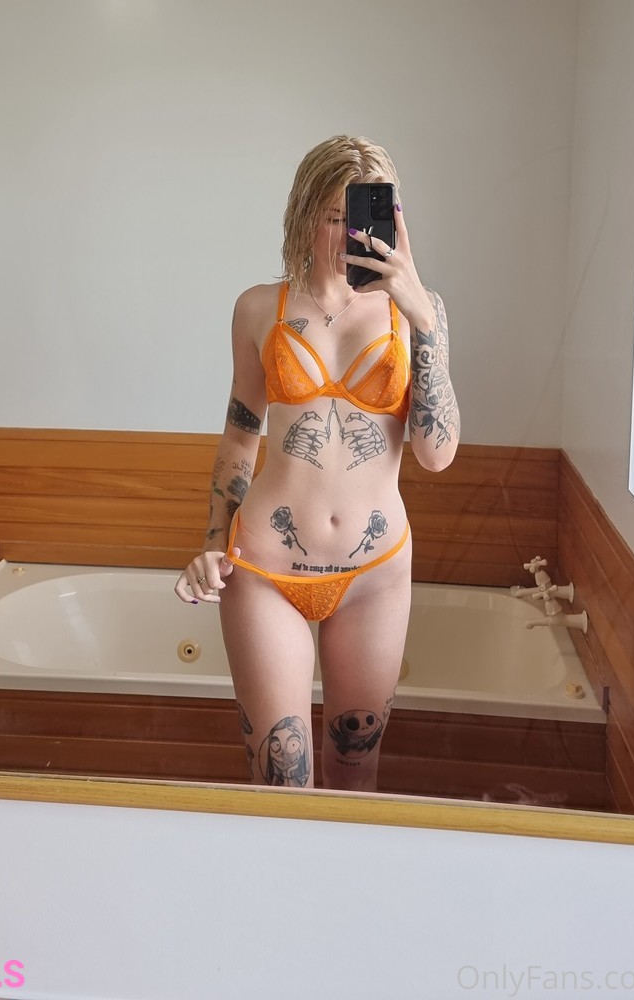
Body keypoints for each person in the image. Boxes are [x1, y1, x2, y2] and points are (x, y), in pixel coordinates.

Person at [174, 135, 460, 791]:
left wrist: (422, 318)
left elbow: (436, 454)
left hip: (374, 575)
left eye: (365, 216)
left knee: (356, 776)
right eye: (335, 217)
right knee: (281, 783)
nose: (351, 236)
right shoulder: (258, 307)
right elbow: (240, 437)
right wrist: (212, 544)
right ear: (304, 214)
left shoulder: (419, 313)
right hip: (264, 569)